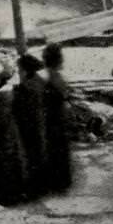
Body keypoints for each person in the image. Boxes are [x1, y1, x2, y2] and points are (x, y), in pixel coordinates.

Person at [0, 64, 28, 206]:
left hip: (5, 131)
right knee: (17, 160)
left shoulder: (0, 95)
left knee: (3, 162)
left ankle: (4, 195)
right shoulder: (14, 91)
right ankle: (19, 192)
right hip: (15, 130)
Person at [12, 53, 49, 200]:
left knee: (30, 157)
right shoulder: (38, 81)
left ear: (26, 71)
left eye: (19, 70)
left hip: (30, 126)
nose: (18, 74)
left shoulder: (27, 87)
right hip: (39, 125)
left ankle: (33, 190)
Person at [42, 42, 73, 194]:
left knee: (52, 148)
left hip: (51, 117)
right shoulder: (58, 78)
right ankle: (59, 182)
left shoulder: (48, 78)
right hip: (57, 117)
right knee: (58, 149)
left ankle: (53, 181)